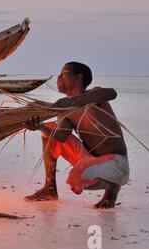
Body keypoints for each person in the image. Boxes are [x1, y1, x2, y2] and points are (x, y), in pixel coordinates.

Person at [24, 62, 129, 209]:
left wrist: (74, 100)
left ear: (79, 77)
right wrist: (40, 127)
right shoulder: (65, 110)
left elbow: (111, 93)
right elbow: (60, 137)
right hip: (90, 159)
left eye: (64, 74)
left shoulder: (94, 96)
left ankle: (111, 193)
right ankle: (50, 188)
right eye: (58, 75)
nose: (58, 78)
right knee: (49, 128)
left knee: (77, 178)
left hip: (116, 163)